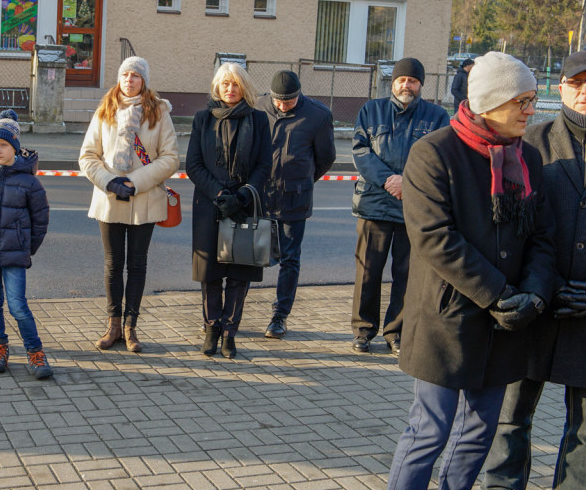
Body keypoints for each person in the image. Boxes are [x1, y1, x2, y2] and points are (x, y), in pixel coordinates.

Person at [381, 51, 556, 490]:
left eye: (532, 99)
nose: (529, 110)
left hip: (506, 322)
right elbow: (434, 238)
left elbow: (542, 235)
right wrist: (498, 292)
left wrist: (535, 293)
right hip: (448, 318)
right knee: (430, 429)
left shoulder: (529, 158)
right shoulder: (434, 152)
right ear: (488, 101)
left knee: (479, 431)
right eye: (520, 100)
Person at [481, 49, 586, 490]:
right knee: (511, 412)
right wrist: (541, 285)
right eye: (578, 83)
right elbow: (510, 227)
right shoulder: (529, 142)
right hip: (536, 302)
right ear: (561, 87)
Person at [78, 56, 179, 352]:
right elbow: (87, 156)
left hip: (144, 197)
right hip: (109, 197)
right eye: (125, 75)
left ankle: (130, 328)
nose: (130, 80)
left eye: (136, 75)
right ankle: (112, 326)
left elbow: (170, 157)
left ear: (144, 80)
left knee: (137, 264)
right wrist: (110, 182)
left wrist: (136, 181)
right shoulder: (105, 108)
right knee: (112, 265)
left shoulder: (159, 111)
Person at [350, 58, 449, 354]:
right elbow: (360, 150)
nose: (407, 85)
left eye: (413, 81)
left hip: (414, 208)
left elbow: (440, 157)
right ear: (393, 82)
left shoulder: (436, 117)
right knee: (367, 271)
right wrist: (388, 180)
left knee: (406, 274)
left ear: (421, 85)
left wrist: (409, 182)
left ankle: (396, 332)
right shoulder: (371, 110)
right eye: (402, 80)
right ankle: (363, 330)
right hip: (373, 204)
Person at [186, 62, 272, 359]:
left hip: (244, 204)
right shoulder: (202, 119)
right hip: (210, 204)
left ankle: (230, 333)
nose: (230, 89)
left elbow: (264, 165)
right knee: (210, 272)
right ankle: (211, 330)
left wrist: (244, 195)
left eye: (235, 84)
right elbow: (193, 165)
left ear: (244, 87)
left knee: (239, 272)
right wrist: (219, 193)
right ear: (217, 87)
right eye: (225, 84)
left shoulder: (259, 120)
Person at [0, 110, 53, 379]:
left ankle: (35, 352)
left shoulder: (29, 182)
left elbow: (40, 221)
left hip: (15, 254)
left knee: (17, 305)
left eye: (3, 145)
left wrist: (27, 248)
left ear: (15, 146)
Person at [256, 70, 336, 340]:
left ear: (298, 95)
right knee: (249, 255)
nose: (281, 106)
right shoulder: (257, 106)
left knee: (290, 259)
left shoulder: (318, 115)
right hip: (260, 196)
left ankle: (279, 316)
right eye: (278, 101)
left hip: (295, 197)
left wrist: (303, 180)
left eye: (288, 102)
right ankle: (234, 312)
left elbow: (325, 158)